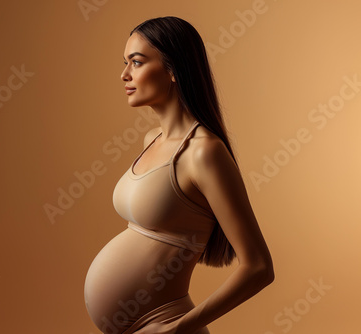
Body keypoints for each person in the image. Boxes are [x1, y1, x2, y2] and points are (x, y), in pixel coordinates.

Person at [84, 16, 274, 334]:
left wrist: (178, 329)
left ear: (173, 70)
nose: (124, 74)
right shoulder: (152, 141)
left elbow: (259, 267)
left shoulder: (203, 152)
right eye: (125, 62)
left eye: (137, 62)